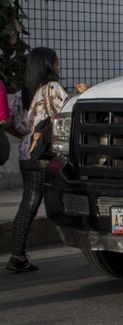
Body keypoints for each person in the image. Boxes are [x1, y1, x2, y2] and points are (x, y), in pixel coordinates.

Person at [7, 48, 86, 272]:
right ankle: (93, 244)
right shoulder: (52, 88)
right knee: (72, 194)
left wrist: (30, 136)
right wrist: (84, 93)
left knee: (29, 203)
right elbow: (69, 111)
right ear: (48, 65)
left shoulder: (23, 93)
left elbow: (13, 124)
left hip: (27, 153)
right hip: (46, 154)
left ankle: (18, 255)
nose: (59, 66)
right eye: (57, 62)